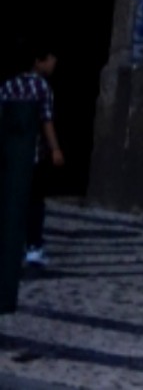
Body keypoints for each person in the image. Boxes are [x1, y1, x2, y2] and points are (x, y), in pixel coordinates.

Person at [0, 47, 64, 269]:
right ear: (39, 61)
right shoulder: (42, 87)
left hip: (9, 154)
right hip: (33, 154)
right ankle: (33, 247)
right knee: (35, 202)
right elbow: (46, 120)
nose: (54, 64)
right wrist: (55, 149)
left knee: (10, 199)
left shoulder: (9, 85)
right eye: (51, 59)